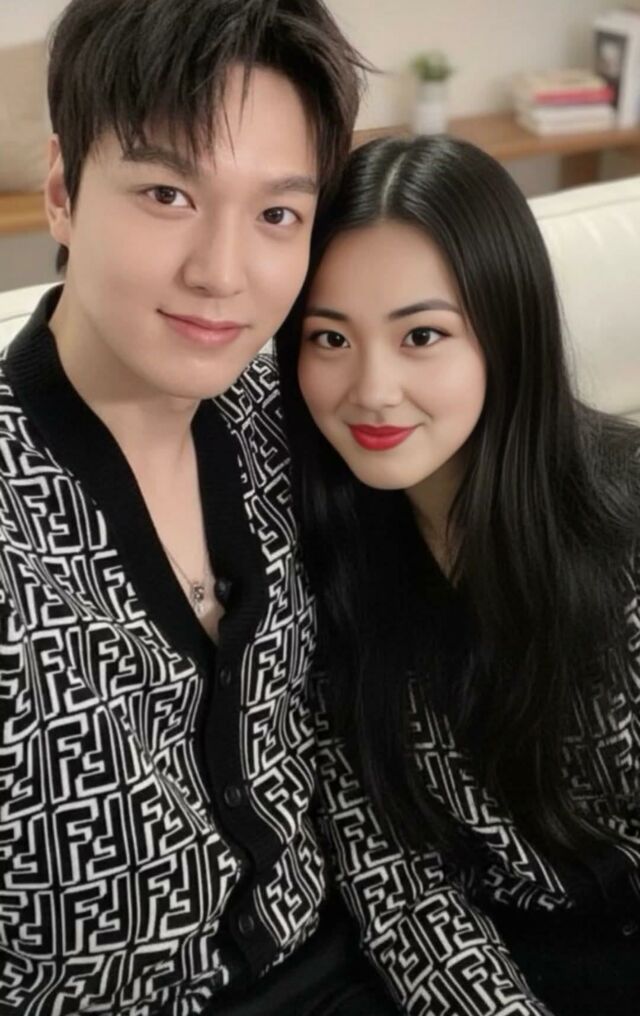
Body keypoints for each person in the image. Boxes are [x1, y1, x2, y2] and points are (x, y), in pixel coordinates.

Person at [0, 3, 400, 1014]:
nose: (222, 274)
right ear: (63, 190)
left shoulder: (301, 409)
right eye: (167, 192)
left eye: (277, 215)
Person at [276, 135, 640, 1016]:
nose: (372, 389)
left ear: (505, 334)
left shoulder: (621, 525)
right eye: (330, 337)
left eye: (422, 335)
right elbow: (392, 875)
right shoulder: (317, 561)